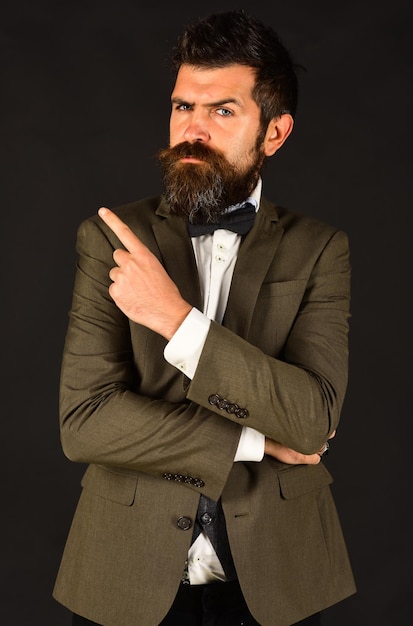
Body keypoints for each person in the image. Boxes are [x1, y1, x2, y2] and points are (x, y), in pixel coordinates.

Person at [53, 9, 356, 626]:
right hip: (124, 575)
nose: (192, 129)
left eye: (222, 110)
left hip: (279, 577)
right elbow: (84, 423)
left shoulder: (321, 248)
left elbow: (311, 417)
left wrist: (176, 321)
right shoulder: (111, 238)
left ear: (274, 132)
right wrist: (253, 439)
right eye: (183, 107)